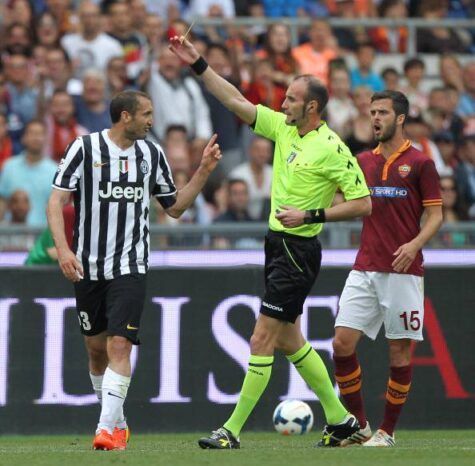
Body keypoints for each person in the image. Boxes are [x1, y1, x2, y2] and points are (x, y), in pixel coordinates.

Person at [169, 34, 372, 449]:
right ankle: (341, 420)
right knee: (288, 340)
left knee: (261, 338)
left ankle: (231, 431)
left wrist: (310, 215)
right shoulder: (284, 129)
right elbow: (235, 101)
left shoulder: (332, 147)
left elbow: (364, 203)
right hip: (276, 246)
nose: (283, 104)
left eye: (292, 100)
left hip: (299, 251)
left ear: (312, 107)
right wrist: (198, 63)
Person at [46, 90, 221, 451]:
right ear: (125, 116)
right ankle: (119, 423)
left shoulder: (151, 154)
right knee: (96, 350)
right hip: (87, 266)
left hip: (130, 265)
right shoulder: (85, 148)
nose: (151, 120)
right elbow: (56, 200)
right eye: (146, 114)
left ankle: (105, 430)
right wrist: (64, 250)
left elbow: (173, 208)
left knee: (119, 344)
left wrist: (203, 171)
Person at [331, 90, 443, 447]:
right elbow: (341, 198)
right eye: (372, 112)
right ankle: (361, 425)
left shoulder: (421, 163)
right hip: (364, 266)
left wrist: (414, 245)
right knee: (341, 344)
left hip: (402, 270)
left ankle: (387, 432)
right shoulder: (362, 160)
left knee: (399, 352)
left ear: (400, 118)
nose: (374, 118)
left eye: (382, 112)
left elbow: (436, 214)